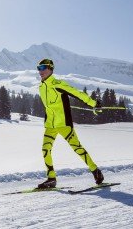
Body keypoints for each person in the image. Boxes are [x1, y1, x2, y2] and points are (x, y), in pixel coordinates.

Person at [35, 58, 105, 189]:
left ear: (50, 68)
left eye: (43, 67)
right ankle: (51, 178)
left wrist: (93, 104)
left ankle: (96, 171)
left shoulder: (58, 84)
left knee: (77, 148)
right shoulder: (41, 87)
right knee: (45, 150)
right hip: (50, 125)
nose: (40, 71)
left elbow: (76, 93)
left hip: (64, 124)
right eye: (38, 68)